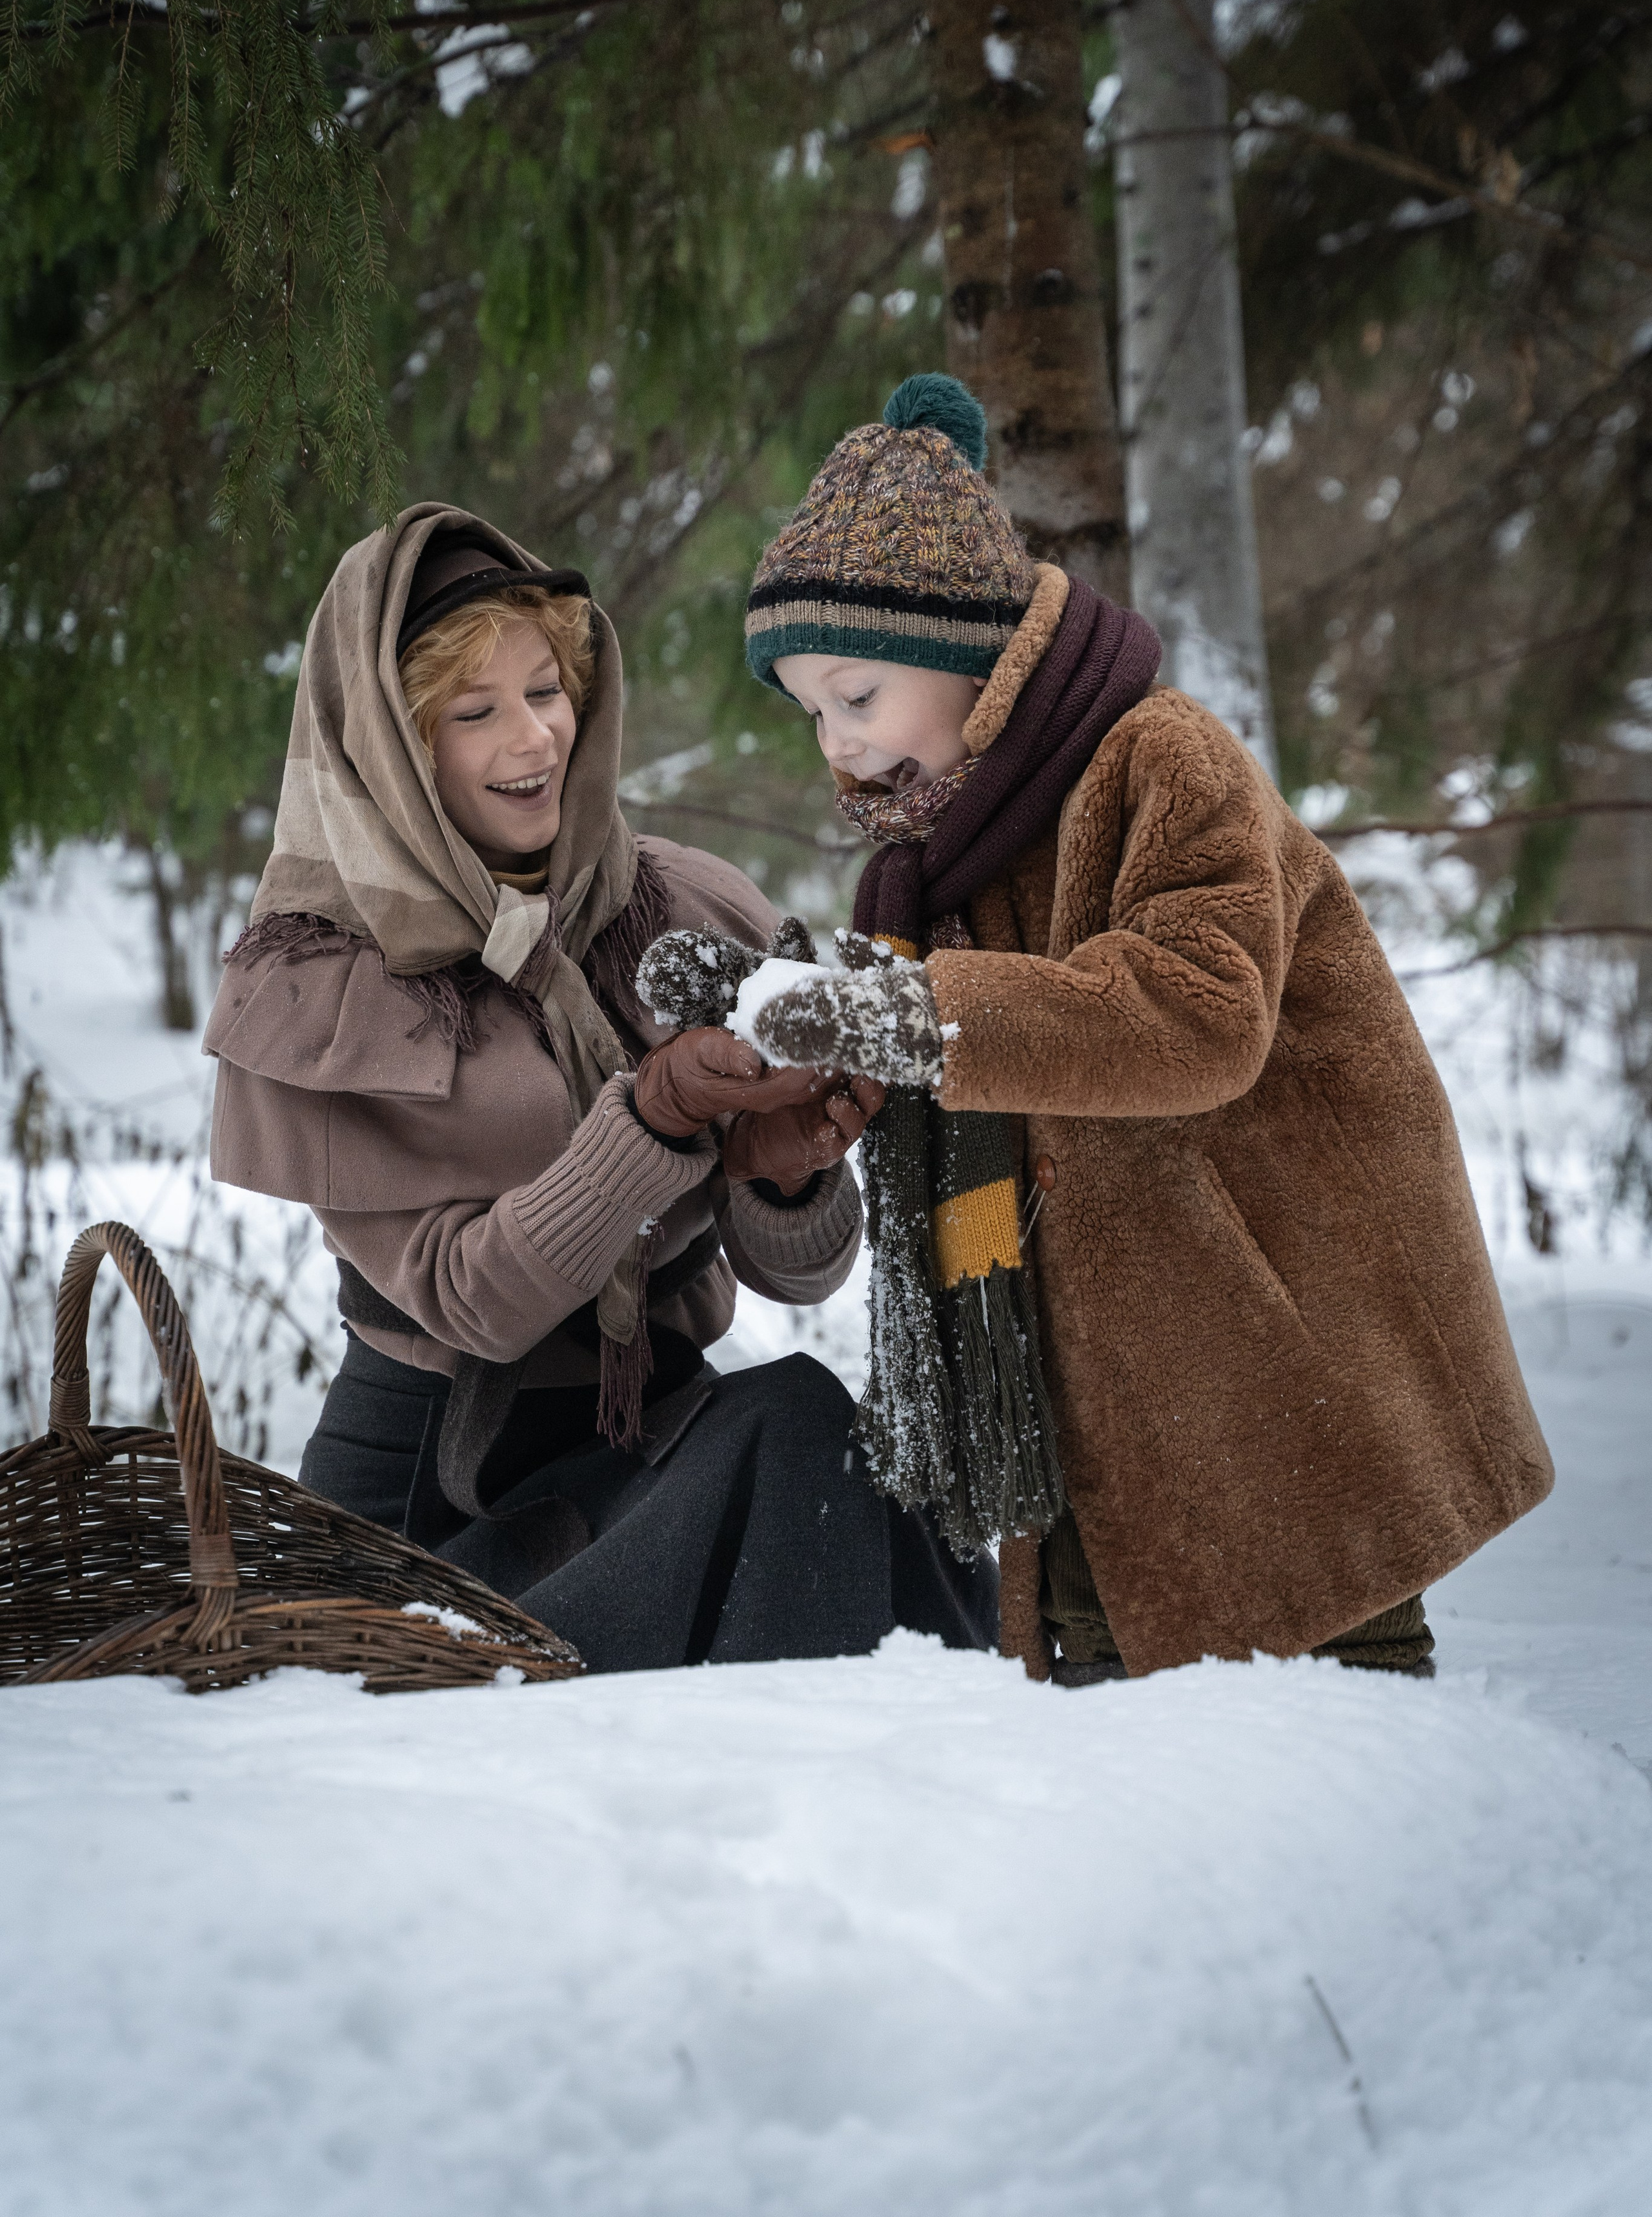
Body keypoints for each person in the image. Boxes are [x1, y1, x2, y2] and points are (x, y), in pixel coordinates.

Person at [732, 372, 1553, 1685]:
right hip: (1091, 1424)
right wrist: (829, 1080)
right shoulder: (940, 862)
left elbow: (1194, 1013)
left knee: (1324, 1726)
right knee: (1134, 1775)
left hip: (1277, 1366)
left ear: (967, 654)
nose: (835, 747)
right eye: (810, 714)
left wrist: (911, 1013)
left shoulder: (1158, 759)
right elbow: (972, 1081)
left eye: (855, 695)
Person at [204, 501, 997, 1672]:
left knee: (870, 1468)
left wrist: (782, 1179)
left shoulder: (681, 910)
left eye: (547, 691)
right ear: (392, 746)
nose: (533, 741)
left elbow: (804, 1274)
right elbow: (472, 1302)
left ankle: (993, 1750)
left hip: (649, 1445)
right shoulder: (330, 979)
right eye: (474, 713)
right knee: (791, 1427)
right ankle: (814, 1803)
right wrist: (656, 1117)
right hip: (435, 1520)